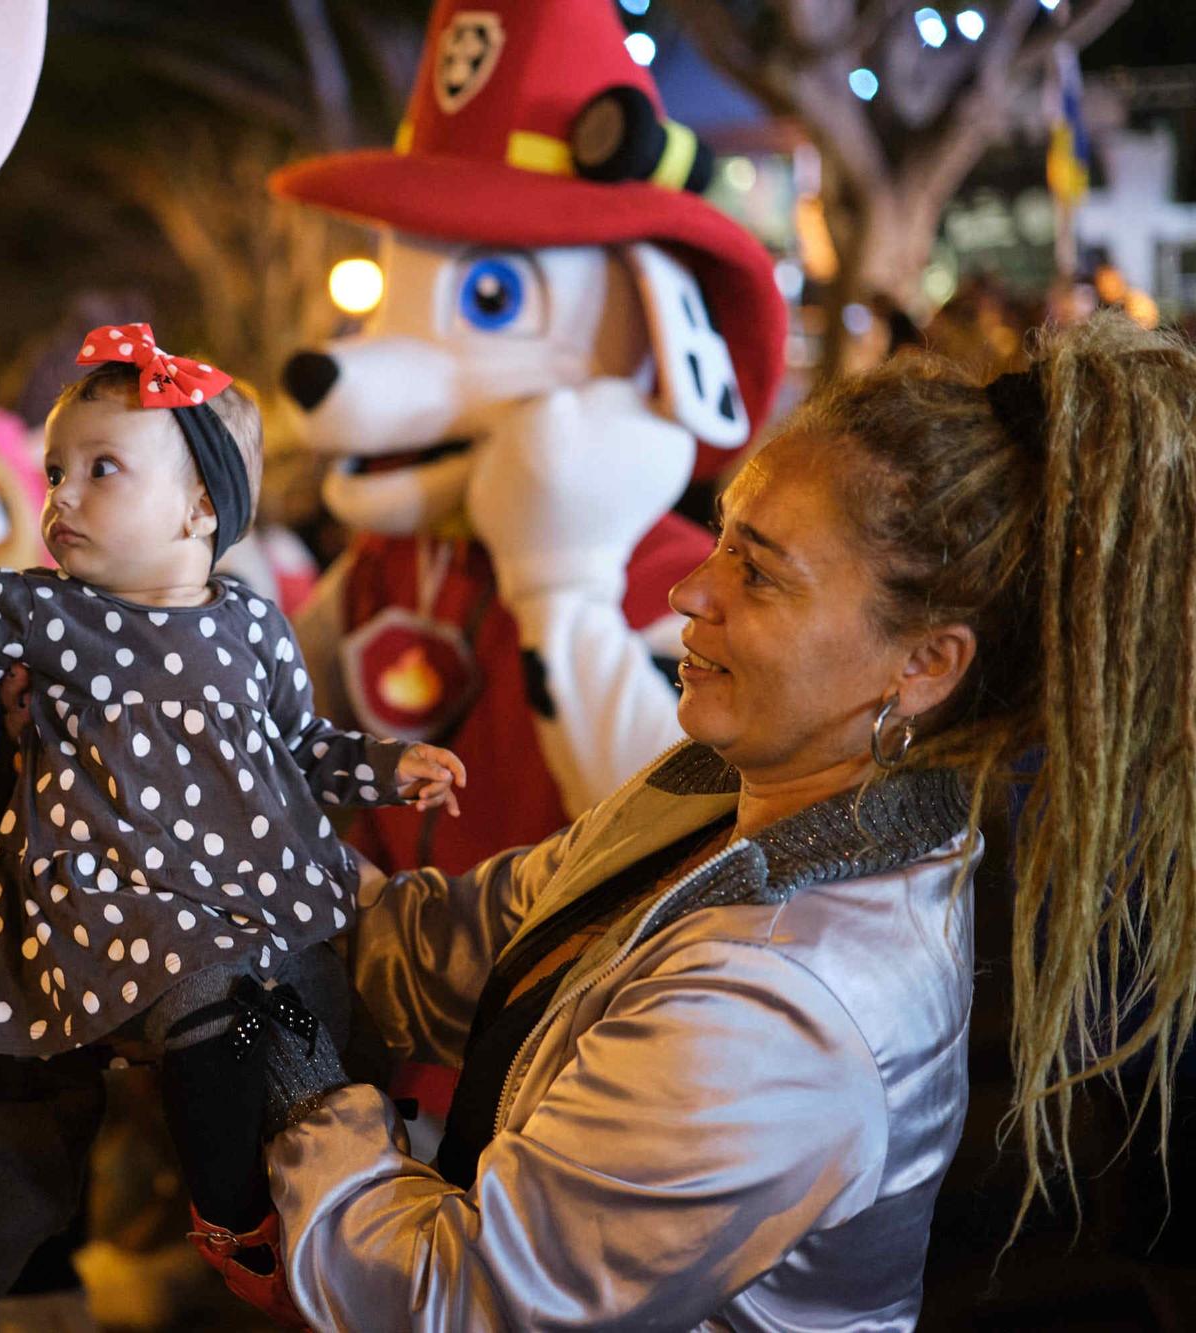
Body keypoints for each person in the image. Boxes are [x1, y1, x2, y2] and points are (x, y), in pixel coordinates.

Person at [249, 312, 1196, 1329]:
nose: (687, 589)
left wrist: (281, 1055)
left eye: (758, 572)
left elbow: (458, 1301)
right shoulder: (714, 783)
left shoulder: (791, 996)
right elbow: (446, 948)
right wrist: (219, 838)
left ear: (920, 665)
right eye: (719, 543)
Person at [0, 324, 464, 1315]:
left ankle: (346, 1210)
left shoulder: (249, 620)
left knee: (305, 1013)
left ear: (199, 507)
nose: (61, 497)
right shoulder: (42, 610)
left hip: (250, 882)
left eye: (100, 469)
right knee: (204, 982)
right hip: (113, 893)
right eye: (53, 472)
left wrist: (390, 768)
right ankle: (223, 1215)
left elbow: (301, 746)